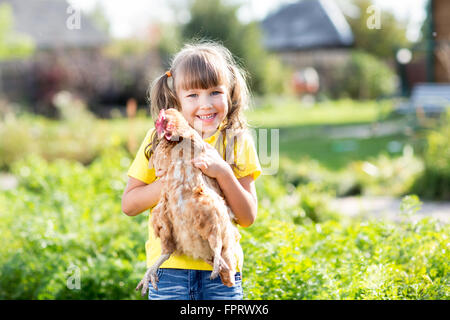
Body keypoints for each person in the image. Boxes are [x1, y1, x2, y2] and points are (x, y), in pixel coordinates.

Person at [121, 41, 262, 300]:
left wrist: (222, 172)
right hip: (169, 270)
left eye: (215, 92)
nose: (206, 104)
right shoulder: (160, 139)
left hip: (220, 269)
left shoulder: (236, 141)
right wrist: (171, 182)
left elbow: (248, 216)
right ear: (177, 100)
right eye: (193, 95)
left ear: (229, 93)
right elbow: (129, 204)